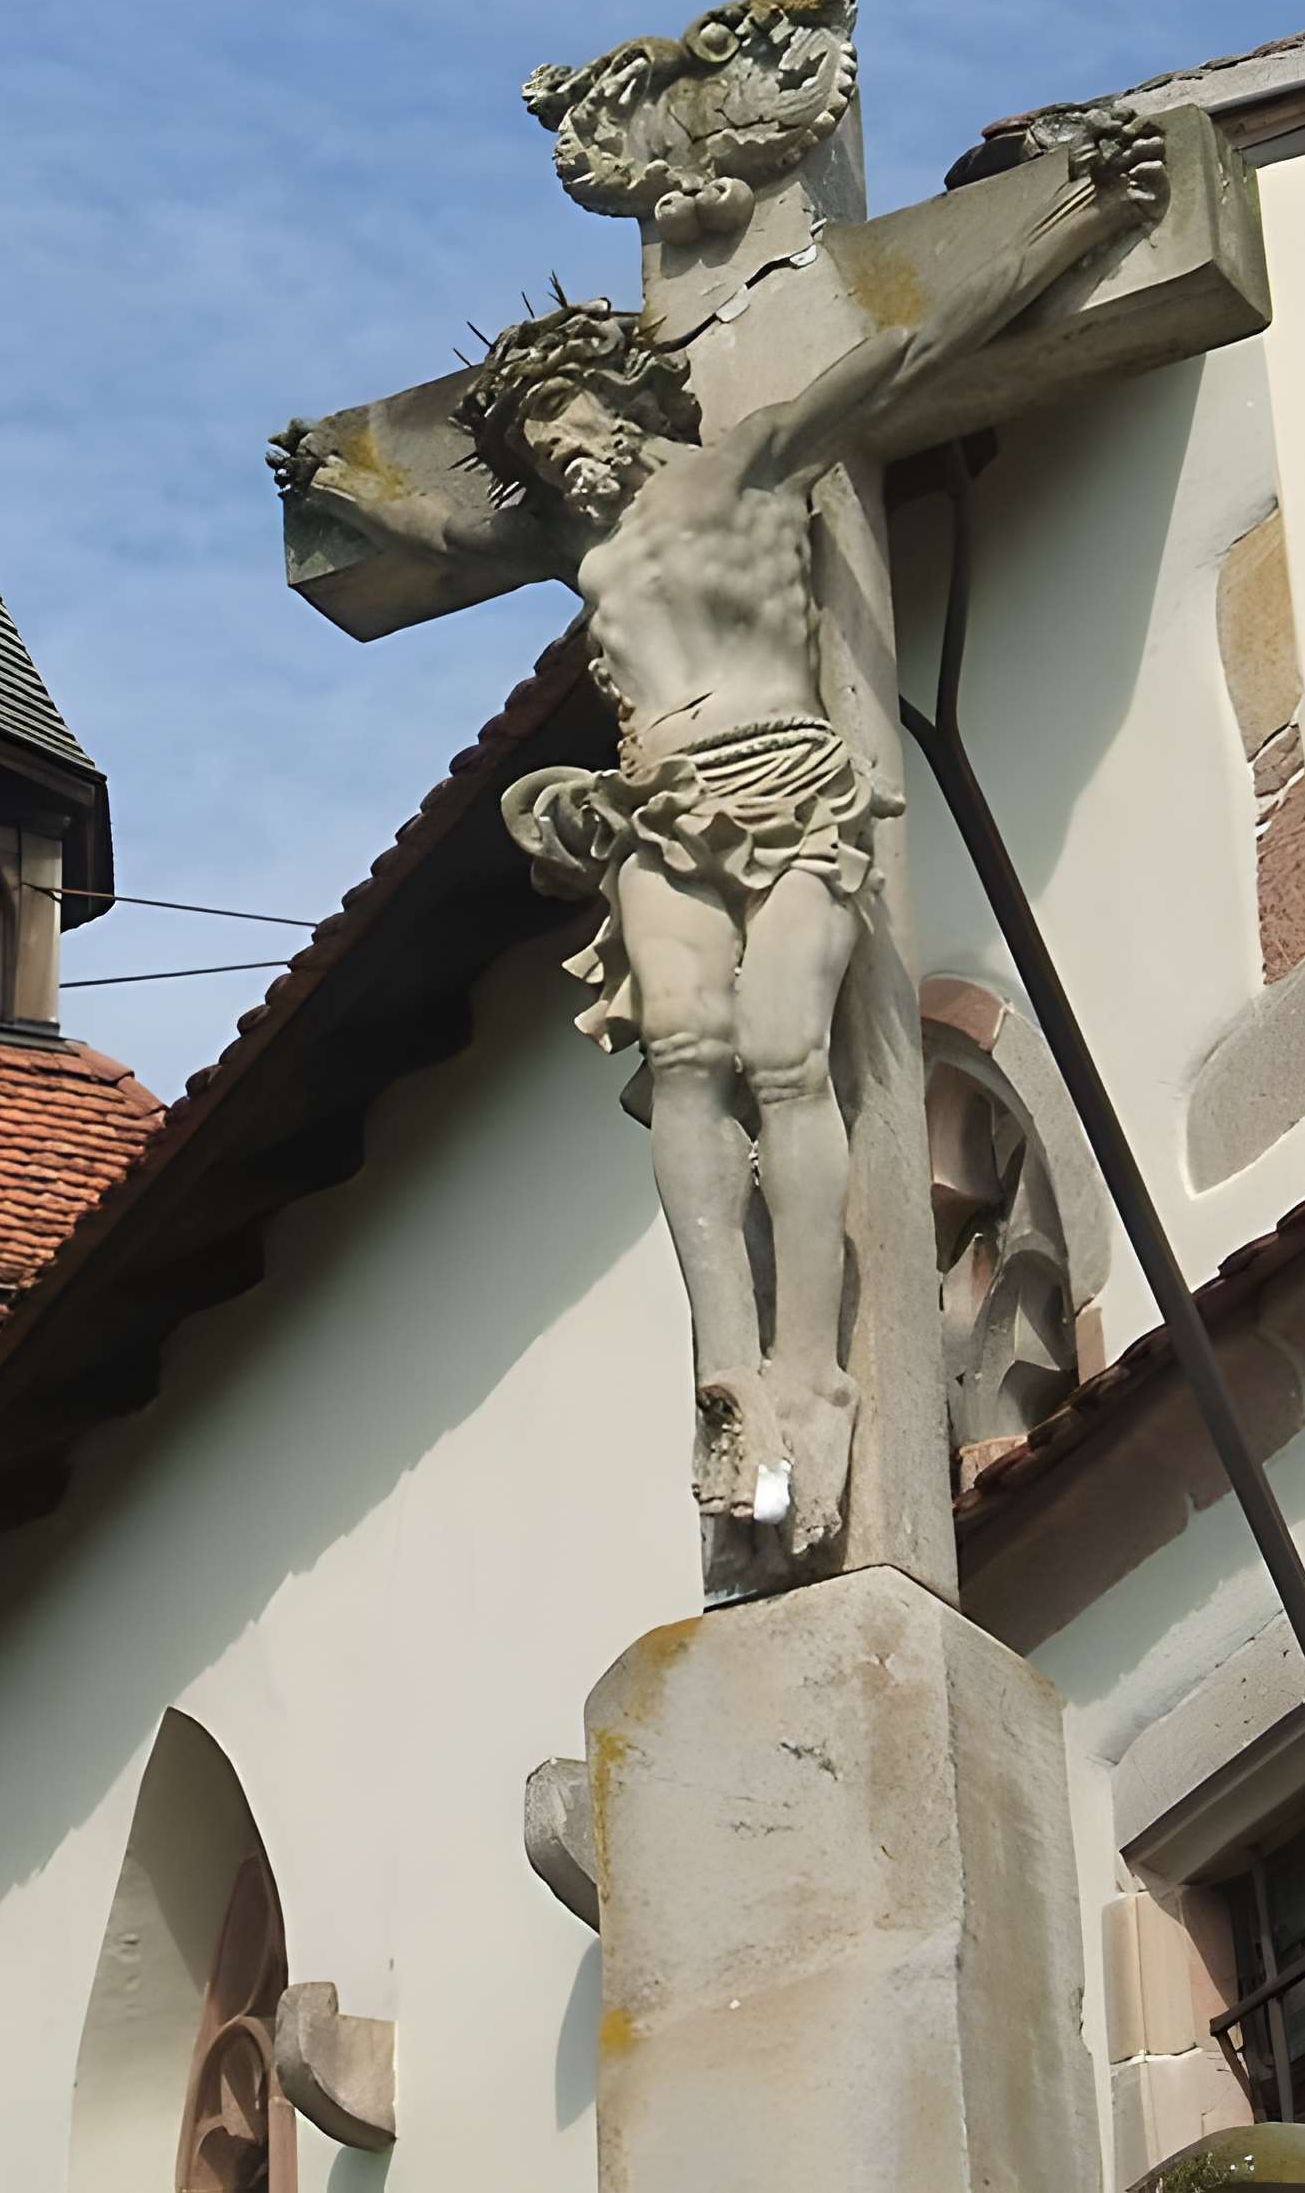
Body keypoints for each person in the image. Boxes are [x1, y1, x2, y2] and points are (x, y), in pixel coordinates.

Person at [267, 104, 1165, 1557]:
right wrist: (330, 480)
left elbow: (905, 354)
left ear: (630, 408)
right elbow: (434, 539)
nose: (568, 460)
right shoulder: (579, 545)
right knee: (687, 1064)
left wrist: (1078, 219)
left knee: (787, 1057)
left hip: (786, 781)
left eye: (575, 426)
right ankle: (726, 1354)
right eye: (541, 446)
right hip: (653, 813)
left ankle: (812, 1357)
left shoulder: (748, 466)